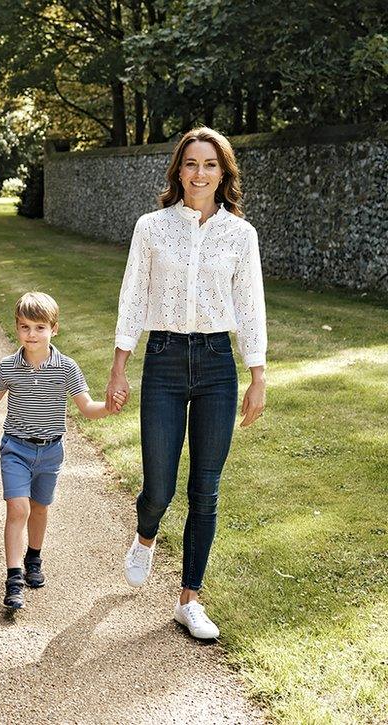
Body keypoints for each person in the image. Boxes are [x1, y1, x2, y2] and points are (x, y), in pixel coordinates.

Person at [107, 126, 267, 640]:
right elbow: (133, 295)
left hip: (219, 362)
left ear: (224, 173)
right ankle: (145, 534)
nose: (200, 173)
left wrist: (256, 373)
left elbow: (250, 306)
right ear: (178, 170)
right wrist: (118, 365)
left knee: (206, 489)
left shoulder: (240, 235)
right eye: (191, 164)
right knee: (159, 486)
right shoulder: (152, 227)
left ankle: (189, 599)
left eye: (210, 165)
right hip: (165, 359)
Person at [0, 292, 124, 610]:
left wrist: (108, 408)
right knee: (18, 509)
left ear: (54, 329)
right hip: (15, 449)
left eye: (39, 327)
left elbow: (87, 408)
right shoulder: (8, 368)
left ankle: (34, 556)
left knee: (40, 509)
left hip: (50, 452)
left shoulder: (67, 368)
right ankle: (14, 578)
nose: (32, 334)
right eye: (25, 327)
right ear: (17, 328)